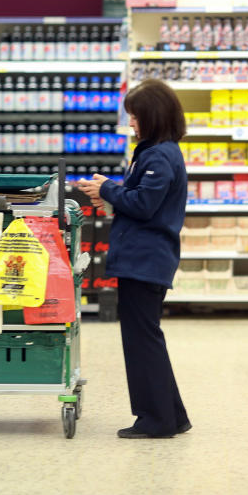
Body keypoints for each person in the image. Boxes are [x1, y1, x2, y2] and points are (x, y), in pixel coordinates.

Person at [77, 79, 190, 439]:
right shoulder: (156, 151)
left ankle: (155, 421)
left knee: (142, 343)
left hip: (145, 261)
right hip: (146, 258)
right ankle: (173, 414)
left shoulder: (159, 155)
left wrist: (109, 190)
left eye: (136, 117)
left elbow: (144, 205)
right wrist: (112, 195)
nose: (132, 124)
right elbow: (141, 198)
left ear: (153, 116)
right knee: (148, 339)